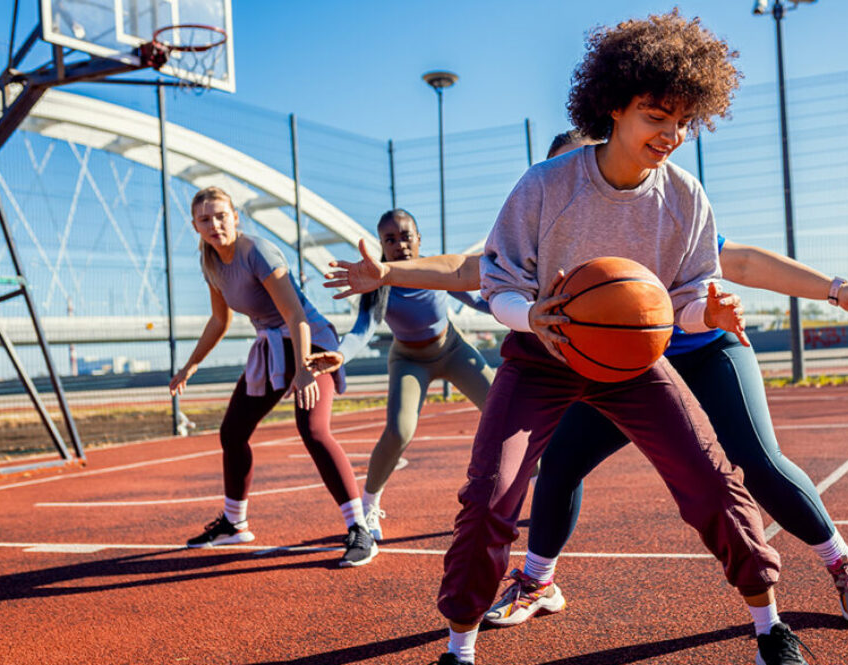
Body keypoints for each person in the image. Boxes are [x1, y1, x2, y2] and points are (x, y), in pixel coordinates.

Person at [344, 11, 811, 664]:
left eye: (681, 119)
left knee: (710, 477)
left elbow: (680, 304)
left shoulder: (686, 199)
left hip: (634, 357)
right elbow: (496, 279)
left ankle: (769, 629)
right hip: (541, 355)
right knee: (491, 492)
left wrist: (711, 314)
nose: (671, 133)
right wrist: (529, 315)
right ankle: (459, 647)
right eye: (655, 115)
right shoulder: (545, 186)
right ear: (615, 107)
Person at [328, 135, 848, 629]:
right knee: (559, 463)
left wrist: (837, 291)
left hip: (703, 346)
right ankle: (538, 580)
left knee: (754, 458)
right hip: (618, 366)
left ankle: (840, 560)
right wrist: (389, 273)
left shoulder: (659, 209)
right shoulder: (548, 217)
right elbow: (466, 268)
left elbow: (746, 263)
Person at [169, 186, 377, 568]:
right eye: (204, 219)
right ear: (196, 226)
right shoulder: (211, 261)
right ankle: (234, 523)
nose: (214, 224)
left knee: (313, 429)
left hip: (311, 345)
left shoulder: (258, 252)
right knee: (232, 432)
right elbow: (220, 320)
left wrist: (302, 371)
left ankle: (359, 529)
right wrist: (191, 365)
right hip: (272, 348)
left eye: (220, 215)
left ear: (235, 216)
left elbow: (296, 316)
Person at [357, 209, 495, 542]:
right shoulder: (377, 283)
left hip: (453, 349)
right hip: (409, 360)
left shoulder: (436, 270)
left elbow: (479, 302)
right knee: (399, 431)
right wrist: (339, 355)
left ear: (419, 239)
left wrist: (526, 307)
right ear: (382, 245)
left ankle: (541, 482)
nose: (400, 244)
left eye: (406, 236)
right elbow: (362, 330)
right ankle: (368, 506)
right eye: (391, 239)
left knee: (504, 408)